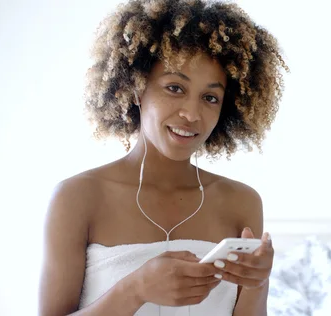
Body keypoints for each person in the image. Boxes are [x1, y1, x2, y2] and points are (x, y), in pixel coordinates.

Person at [38, 0, 288, 315]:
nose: (191, 114)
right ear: (136, 88)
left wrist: (258, 283)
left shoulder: (242, 202)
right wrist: (135, 289)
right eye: (174, 88)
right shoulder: (77, 197)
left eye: (210, 97)